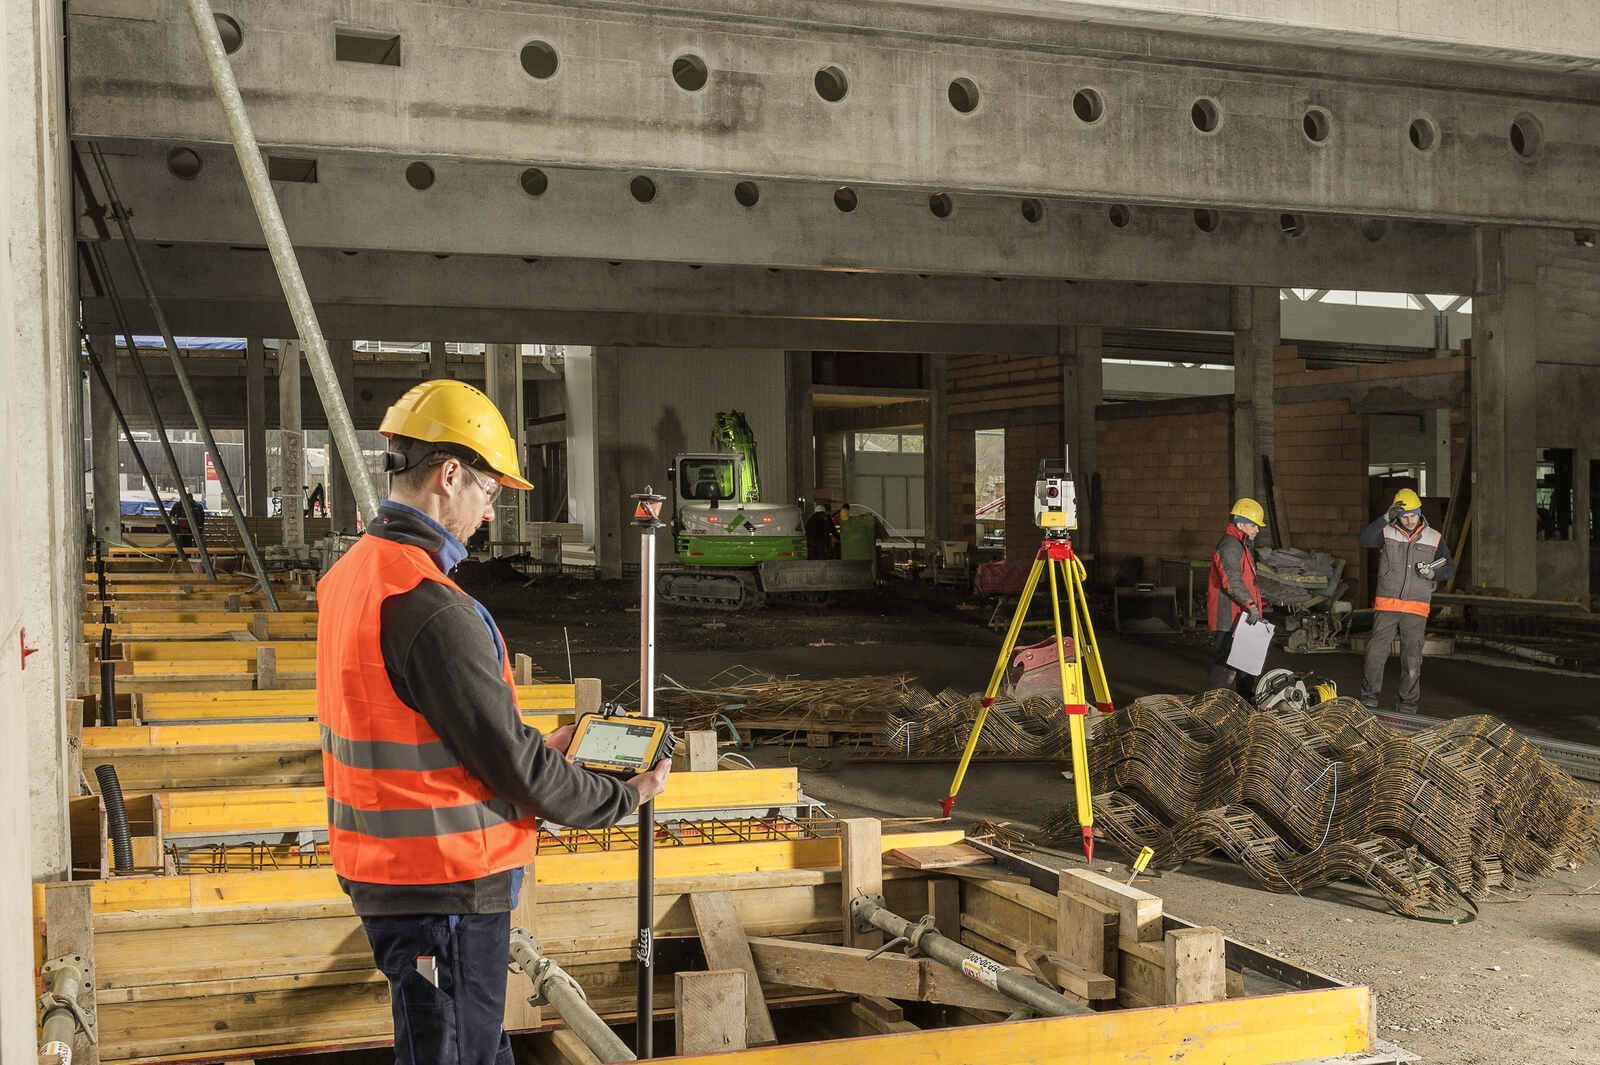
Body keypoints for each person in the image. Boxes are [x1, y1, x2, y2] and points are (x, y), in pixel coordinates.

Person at [316, 379, 671, 1065]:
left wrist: (540, 744)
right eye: (488, 491)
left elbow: (419, 727)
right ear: (449, 475)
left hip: (393, 875)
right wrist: (623, 795)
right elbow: (515, 768)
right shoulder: (432, 606)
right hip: (443, 886)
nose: (488, 512)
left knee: (458, 1045)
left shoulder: (354, 575)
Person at [1359, 487, 1455, 712]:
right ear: (1396, 515)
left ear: (1419, 513)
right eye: (1404, 516)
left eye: (1413, 514)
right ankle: (1369, 701)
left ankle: (1408, 707)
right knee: (1375, 655)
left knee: (1412, 661)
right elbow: (1365, 540)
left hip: (1416, 608)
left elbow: (1449, 567)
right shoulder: (1386, 532)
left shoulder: (1434, 537)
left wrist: (1433, 573)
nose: (1410, 520)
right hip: (1387, 606)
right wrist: (1384, 518)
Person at [1205, 498, 1267, 694]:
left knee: (1246, 665)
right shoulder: (1230, 546)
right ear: (1240, 524)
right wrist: (1250, 604)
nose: (1257, 529)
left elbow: (1246, 581)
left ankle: (1246, 703)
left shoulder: (1240, 545)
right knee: (1226, 666)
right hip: (1230, 617)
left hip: (1242, 615)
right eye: (1253, 525)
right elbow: (1232, 582)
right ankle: (1210, 707)